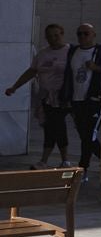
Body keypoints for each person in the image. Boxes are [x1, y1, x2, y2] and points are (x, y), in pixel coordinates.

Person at [8, 22, 71, 162]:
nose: (53, 38)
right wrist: (15, 87)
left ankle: (54, 160)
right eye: (49, 36)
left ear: (62, 34)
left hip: (63, 98)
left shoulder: (69, 52)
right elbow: (32, 71)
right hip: (46, 97)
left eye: (56, 35)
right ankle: (54, 160)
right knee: (51, 127)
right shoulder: (42, 53)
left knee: (57, 126)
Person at [65, 22, 101, 171]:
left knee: (89, 135)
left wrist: (97, 68)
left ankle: (83, 168)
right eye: (79, 34)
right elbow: (67, 74)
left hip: (94, 100)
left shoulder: (100, 51)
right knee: (84, 136)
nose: (82, 37)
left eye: (86, 33)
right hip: (76, 100)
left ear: (93, 35)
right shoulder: (73, 51)